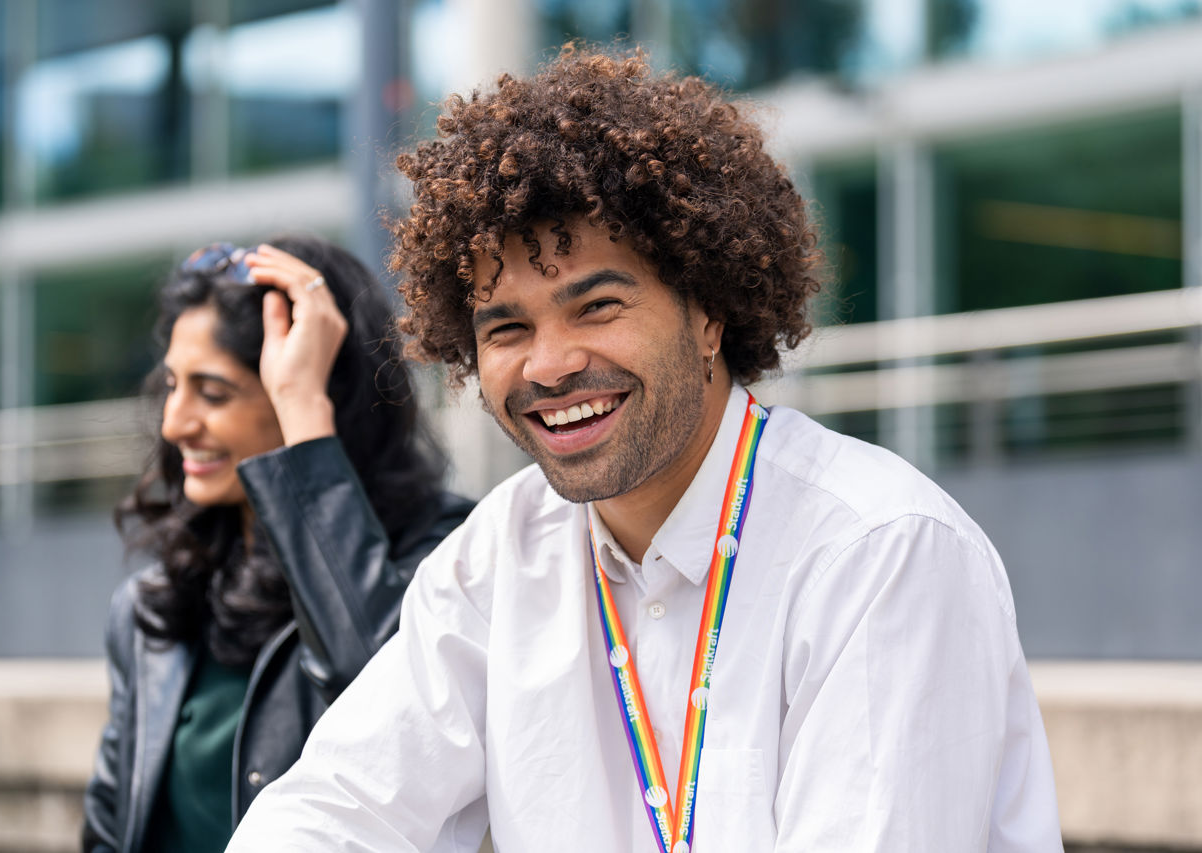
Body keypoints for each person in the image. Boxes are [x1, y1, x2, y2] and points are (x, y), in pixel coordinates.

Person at [226, 47, 1063, 853]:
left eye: (596, 307)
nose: (549, 365)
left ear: (709, 313)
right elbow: (339, 805)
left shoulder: (879, 550)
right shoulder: (501, 553)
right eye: (507, 328)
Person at [81, 234, 472, 853]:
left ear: (321, 395)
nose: (175, 423)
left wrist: (302, 411)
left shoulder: (451, 555)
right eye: (173, 384)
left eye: (214, 393)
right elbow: (110, 832)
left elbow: (388, 703)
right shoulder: (150, 608)